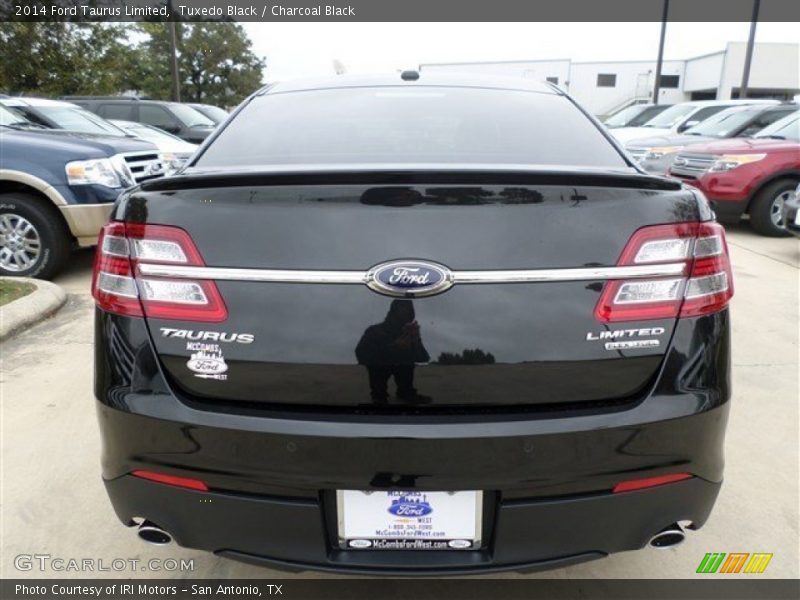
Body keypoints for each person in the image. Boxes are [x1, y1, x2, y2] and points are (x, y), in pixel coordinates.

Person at [355, 299, 431, 404]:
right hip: (379, 379)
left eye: (408, 310)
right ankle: (379, 396)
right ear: (392, 311)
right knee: (377, 365)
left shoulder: (408, 333)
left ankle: (406, 392)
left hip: (404, 378)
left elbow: (424, 359)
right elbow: (361, 355)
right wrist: (395, 346)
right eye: (401, 309)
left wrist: (416, 340)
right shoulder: (374, 331)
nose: (404, 313)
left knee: (406, 360)